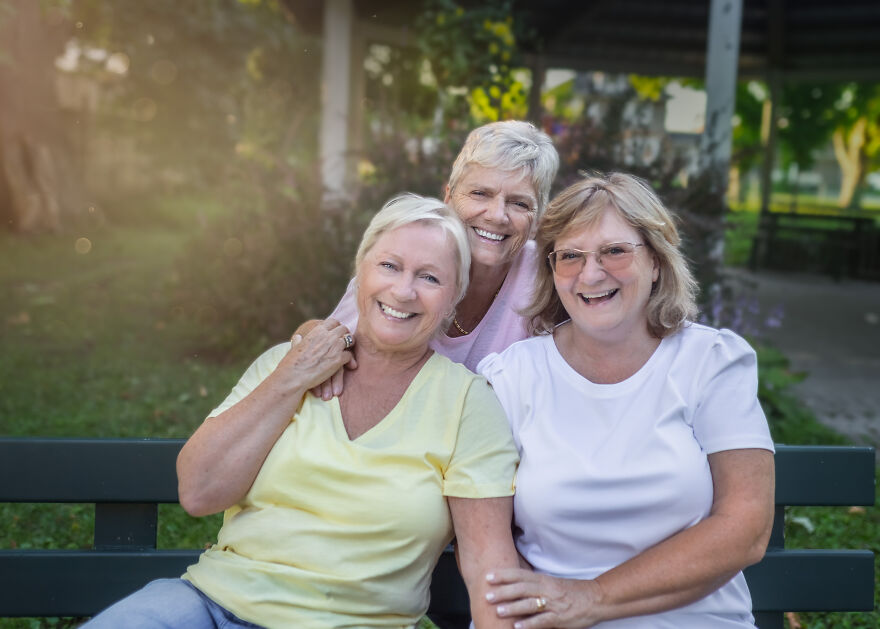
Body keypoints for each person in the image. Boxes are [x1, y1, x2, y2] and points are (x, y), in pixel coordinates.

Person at [83, 195, 521, 629]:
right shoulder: (286, 363)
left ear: (454, 297)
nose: (403, 291)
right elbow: (199, 492)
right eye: (389, 266)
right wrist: (293, 377)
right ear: (361, 271)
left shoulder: (467, 403)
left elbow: (488, 564)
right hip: (208, 606)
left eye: (429, 277)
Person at [477, 173, 776, 628]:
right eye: (570, 256)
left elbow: (747, 526)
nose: (591, 273)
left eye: (614, 251)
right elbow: (488, 554)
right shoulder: (512, 378)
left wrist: (592, 598)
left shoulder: (711, 362)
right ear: (551, 271)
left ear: (656, 261)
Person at [306, 120, 559, 401]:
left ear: (536, 220)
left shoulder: (549, 277)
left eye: (519, 204)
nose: (497, 215)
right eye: (480, 193)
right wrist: (321, 343)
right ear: (448, 197)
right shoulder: (409, 251)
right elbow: (329, 335)